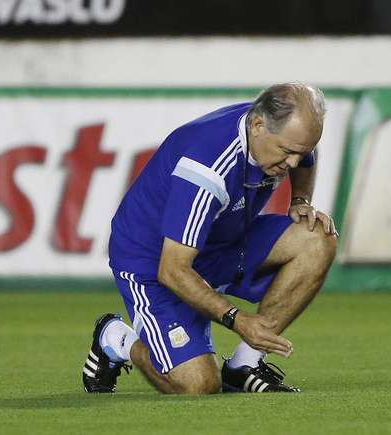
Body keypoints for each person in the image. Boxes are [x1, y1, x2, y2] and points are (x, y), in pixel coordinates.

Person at [81, 82, 337, 394]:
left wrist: (300, 201)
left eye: (301, 152)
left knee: (317, 238)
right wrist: (238, 319)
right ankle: (115, 339)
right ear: (257, 126)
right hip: (155, 262)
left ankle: (245, 364)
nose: (294, 163)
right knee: (198, 385)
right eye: (287, 152)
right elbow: (173, 270)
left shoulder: (281, 133)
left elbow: (306, 153)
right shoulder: (207, 169)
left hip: (221, 244)